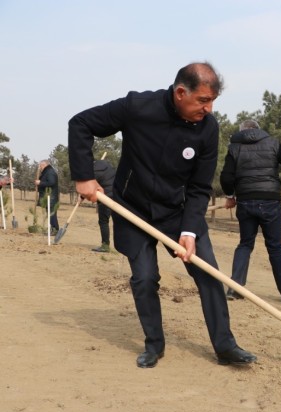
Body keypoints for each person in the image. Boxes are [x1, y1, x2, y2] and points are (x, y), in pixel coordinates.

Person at [68, 62, 257, 369]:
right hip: (132, 208)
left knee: (208, 272)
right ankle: (154, 345)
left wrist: (190, 231)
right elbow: (80, 124)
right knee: (144, 278)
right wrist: (84, 175)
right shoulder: (137, 107)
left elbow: (199, 187)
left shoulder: (208, 128)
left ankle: (225, 346)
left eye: (212, 102)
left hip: (177, 211)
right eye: (203, 101)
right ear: (181, 92)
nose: (208, 109)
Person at [219, 120, 281, 303]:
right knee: (275, 247)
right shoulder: (273, 143)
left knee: (245, 244)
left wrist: (230, 196)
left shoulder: (234, 147)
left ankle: (234, 289)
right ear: (258, 130)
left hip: (246, 201)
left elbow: (226, 176)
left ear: (241, 132)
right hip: (270, 201)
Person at [92, 159, 116, 252]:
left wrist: (81, 196)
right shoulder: (108, 166)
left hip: (105, 197)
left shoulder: (93, 171)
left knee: (103, 222)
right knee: (117, 222)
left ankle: (105, 245)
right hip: (116, 196)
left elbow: (91, 186)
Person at [35, 160, 60, 234]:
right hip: (48, 197)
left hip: (51, 197)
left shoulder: (50, 172)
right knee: (50, 214)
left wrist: (40, 182)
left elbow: (52, 182)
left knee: (52, 214)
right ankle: (53, 229)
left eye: (40, 166)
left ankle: (54, 229)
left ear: (44, 165)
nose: (39, 168)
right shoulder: (47, 172)